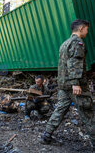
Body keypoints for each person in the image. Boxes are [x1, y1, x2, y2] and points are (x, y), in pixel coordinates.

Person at [39, 19, 94, 148]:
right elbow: (73, 63)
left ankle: (46, 136)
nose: (87, 31)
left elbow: (63, 65)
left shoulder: (65, 43)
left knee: (60, 109)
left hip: (63, 84)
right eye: (86, 29)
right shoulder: (78, 43)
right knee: (88, 112)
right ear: (81, 28)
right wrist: (75, 83)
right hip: (74, 85)